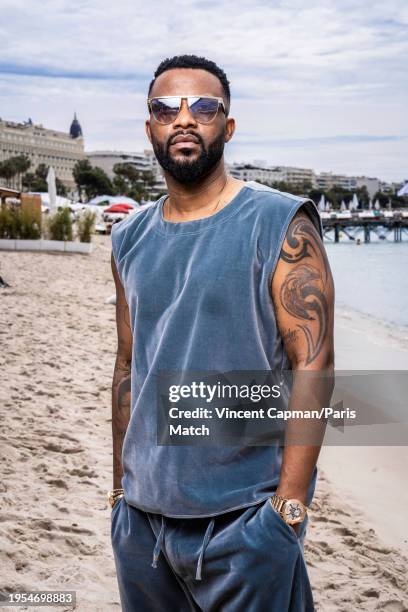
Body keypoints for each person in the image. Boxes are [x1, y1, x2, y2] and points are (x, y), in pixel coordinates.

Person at [109, 54, 335, 612]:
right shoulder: (128, 237)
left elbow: (315, 364)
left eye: (203, 107)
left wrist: (289, 509)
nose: (184, 119)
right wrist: (120, 493)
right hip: (143, 528)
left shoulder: (280, 222)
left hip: (245, 525)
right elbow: (127, 364)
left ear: (226, 127)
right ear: (150, 128)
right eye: (166, 108)